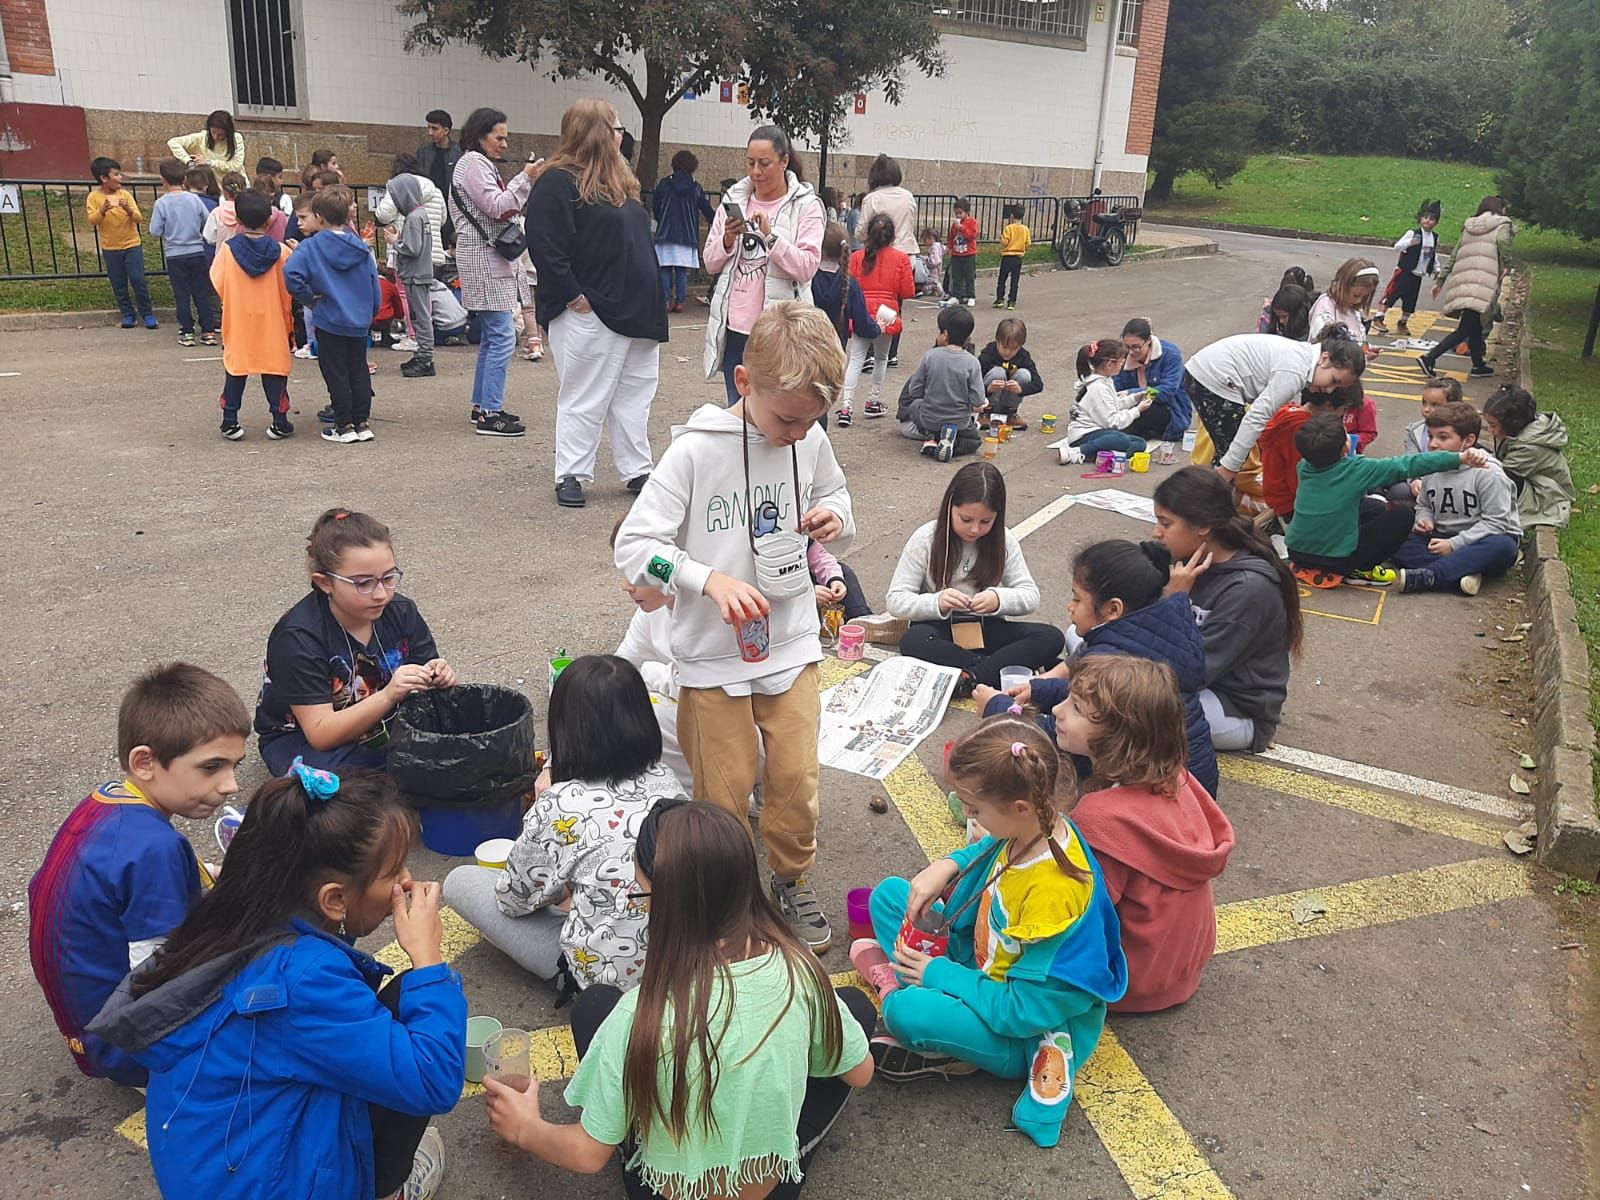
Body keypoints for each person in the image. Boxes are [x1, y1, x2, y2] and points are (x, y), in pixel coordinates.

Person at [88, 767, 464, 1200]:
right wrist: (428, 957)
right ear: (334, 899)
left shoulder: (236, 916)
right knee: (416, 1006)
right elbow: (434, 1080)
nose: (406, 882)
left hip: (211, 1168)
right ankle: (388, 1191)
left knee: (390, 1017)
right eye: (394, 870)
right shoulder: (304, 978)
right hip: (272, 1186)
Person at [483, 800, 875, 1198]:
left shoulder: (640, 1015)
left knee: (594, 1005)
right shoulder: (799, 969)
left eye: (643, 897)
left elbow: (588, 1154)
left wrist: (526, 1129)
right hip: (768, 1185)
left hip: (660, 1189)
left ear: (669, 906)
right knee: (855, 1009)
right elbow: (860, 1073)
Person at [614, 302, 854, 952]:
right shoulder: (694, 452)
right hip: (715, 660)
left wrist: (833, 516)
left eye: (812, 420)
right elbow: (636, 546)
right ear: (744, 384)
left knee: (797, 782)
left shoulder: (809, 437)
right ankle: (730, 895)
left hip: (792, 643)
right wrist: (703, 579)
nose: (799, 434)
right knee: (721, 797)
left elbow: (837, 495)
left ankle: (789, 877)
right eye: (788, 419)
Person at [850, 719, 1125, 1148]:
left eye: (975, 810)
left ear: (1018, 807)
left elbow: (1022, 1013)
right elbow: (989, 847)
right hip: (984, 966)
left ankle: (923, 1013)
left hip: (1020, 1029)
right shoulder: (1037, 824)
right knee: (890, 896)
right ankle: (921, 990)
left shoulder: (1052, 896)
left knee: (905, 1013)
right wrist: (949, 864)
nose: (969, 818)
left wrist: (940, 975)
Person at [28, 664, 248, 1087]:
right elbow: (158, 975)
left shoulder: (105, 803)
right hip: (124, 1049)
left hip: (84, 1025)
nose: (231, 785)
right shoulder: (156, 848)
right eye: (211, 768)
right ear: (145, 762)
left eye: (235, 766)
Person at [443, 655, 686, 994]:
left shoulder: (561, 802)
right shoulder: (668, 782)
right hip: (683, 972)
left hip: (606, 986)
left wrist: (562, 892)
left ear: (565, 728)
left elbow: (514, 901)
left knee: (460, 881)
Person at [1057, 655, 1234, 1012]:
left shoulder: (1101, 817)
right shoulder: (1179, 781)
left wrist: (1008, 849)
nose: (1058, 711)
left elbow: (1075, 912)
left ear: (1119, 735)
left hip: (1126, 983)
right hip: (1179, 971)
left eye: (1076, 708)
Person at [981, 539, 1220, 799]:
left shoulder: (1112, 660)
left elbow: (1063, 735)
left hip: (1157, 804)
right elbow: (1089, 698)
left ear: (1113, 609)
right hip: (1193, 788)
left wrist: (998, 710)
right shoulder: (1168, 624)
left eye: (1077, 598)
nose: (1069, 606)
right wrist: (1038, 689)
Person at [525, 99, 668, 508]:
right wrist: (573, 294)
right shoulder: (557, 182)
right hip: (593, 308)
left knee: (636, 394)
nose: (622, 135)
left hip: (636, 309)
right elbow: (546, 246)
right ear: (597, 132)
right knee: (585, 394)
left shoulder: (619, 180)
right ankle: (571, 472)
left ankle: (637, 467)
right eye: (616, 127)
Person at [255, 508, 458, 776]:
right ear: (325, 582)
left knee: (452, 748)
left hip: (385, 722)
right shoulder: (298, 637)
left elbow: (428, 675)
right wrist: (389, 695)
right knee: (348, 785)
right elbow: (320, 733)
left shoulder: (400, 610)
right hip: (303, 739)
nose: (380, 594)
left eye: (389, 578)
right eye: (363, 583)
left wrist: (439, 676)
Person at [1151, 467, 1304, 751]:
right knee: (1082, 634)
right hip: (1192, 684)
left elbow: (1189, 673)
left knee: (1127, 705)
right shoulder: (1187, 560)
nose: (1156, 532)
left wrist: (1175, 603)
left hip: (1233, 708)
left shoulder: (1247, 589)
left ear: (1203, 527)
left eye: (1166, 523)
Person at [888, 460, 1064, 697]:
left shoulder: (1004, 540)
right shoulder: (926, 538)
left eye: (986, 522)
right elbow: (896, 599)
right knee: (913, 640)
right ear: (950, 507)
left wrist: (998, 599)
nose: (974, 530)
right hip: (942, 629)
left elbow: (1030, 595)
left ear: (997, 517)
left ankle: (970, 678)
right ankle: (992, 669)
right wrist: (937, 602)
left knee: (1050, 637)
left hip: (987, 626)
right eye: (966, 519)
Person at [1285, 412, 1489, 587]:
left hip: (1296, 551)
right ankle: (1360, 570)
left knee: (1375, 507)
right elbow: (1408, 464)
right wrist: (1459, 458)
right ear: (1346, 448)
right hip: (1335, 560)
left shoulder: (1304, 465)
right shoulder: (1357, 469)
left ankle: (1327, 555)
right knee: (1402, 515)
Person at [703, 126, 825, 406]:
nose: (756, 171)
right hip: (735, 329)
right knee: (741, 412)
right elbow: (710, 262)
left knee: (777, 414)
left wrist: (771, 238)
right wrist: (728, 238)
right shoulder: (734, 200)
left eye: (764, 163)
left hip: (780, 332)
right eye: (750, 162)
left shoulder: (806, 206)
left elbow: (807, 267)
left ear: (784, 161)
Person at [450, 106, 543, 437]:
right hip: (485, 260)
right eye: (499, 137)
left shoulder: (472, 163)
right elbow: (499, 206)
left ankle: (483, 406)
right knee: (503, 335)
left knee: (494, 335)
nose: (504, 144)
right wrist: (526, 178)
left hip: (485, 259)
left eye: (506, 137)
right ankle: (490, 412)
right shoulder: (474, 164)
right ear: (480, 137)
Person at [1184, 333, 1368, 479]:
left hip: (1207, 373)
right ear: (1325, 359)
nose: (1329, 391)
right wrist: (1229, 468)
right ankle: (1205, 508)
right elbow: (1257, 416)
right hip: (1211, 378)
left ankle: (1209, 502)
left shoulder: (1303, 356)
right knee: (1230, 459)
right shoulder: (1295, 372)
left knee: (1233, 455)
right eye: (1334, 381)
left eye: (1337, 387)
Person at [284, 186, 382, 445]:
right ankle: (362, 421)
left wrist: (309, 298)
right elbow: (374, 283)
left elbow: (291, 275)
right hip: (359, 318)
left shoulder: (310, 247)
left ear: (320, 217)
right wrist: (371, 311)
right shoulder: (361, 248)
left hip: (329, 317)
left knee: (336, 372)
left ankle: (343, 424)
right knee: (358, 369)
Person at [1394, 402, 1522, 595]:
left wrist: (1455, 545)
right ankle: (1463, 573)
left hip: (1483, 538)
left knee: (1504, 548)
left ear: (1469, 440)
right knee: (1396, 538)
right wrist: (1424, 519)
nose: (1433, 444)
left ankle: (1431, 576)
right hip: (1443, 536)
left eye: (1443, 437)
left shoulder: (1488, 473)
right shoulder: (1432, 466)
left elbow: (1497, 523)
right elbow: (1423, 504)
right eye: (1430, 436)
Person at [210, 189, 296, 441]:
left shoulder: (227, 251)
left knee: (236, 369)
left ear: (238, 220)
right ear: (270, 220)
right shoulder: (281, 252)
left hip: (239, 321)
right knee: (275, 369)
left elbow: (217, 281)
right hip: (273, 321)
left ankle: (230, 421)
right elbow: (292, 283)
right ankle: (280, 421)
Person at [1420, 196, 1515, 380]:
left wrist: (1441, 281)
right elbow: (1503, 243)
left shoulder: (1470, 226)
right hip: (1483, 282)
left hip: (1464, 281)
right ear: (1500, 208)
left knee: (1473, 326)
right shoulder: (1503, 225)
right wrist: (1506, 264)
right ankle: (1430, 357)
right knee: (1465, 329)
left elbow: (1455, 254)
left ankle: (1478, 365)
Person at [840, 212, 915, 424]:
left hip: (862, 312)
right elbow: (908, 291)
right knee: (881, 358)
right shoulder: (901, 258)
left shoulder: (856, 258)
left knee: (855, 359)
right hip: (887, 312)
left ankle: (846, 406)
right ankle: (873, 399)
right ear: (892, 235)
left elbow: (849, 286)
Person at [1257, 383, 1365, 521]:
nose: (1343, 415)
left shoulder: (1291, 412)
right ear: (1328, 405)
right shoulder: (1303, 431)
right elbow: (1300, 479)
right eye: (1344, 409)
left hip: (1284, 496)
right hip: (1293, 503)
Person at [895, 305, 987, 459]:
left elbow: (914, 389)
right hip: (959, 421)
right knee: (974, 440)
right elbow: (978, 399)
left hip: (930, 418)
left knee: (915, 406)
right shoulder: (972, 363)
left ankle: (932, 438)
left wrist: (925, 397)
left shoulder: (931, 356)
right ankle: (952, 442)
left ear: (944, 334)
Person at [857, 154, 920, 365]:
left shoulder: (872, 198)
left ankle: (869, 352)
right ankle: (891, 352)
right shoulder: (908, 197)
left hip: (877, 257)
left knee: (868, 301)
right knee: (895, 305)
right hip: (904, 255)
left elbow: (861, 231)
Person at [1483, 384, 1574, 532]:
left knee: (1489, 475)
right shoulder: (1521, 431)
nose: (1489, 430)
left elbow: (1500, 476)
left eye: (1493, 425)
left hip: (1547, 496)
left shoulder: (1528, 446)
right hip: (1532, 481)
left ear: (1511, 424)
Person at [149, 157, 217, 347]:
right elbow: (207, 220)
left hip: (175, 253)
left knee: (182, 294)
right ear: (184, 179)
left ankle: (187, 331)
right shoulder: (194, 199)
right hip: (196, 250)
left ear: (163, 180)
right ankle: (208, 331)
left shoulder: (161, 203)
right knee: (201, 293)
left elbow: (154, 231)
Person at [1067, 337, 1169, 459]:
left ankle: (1104, 456)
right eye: (1121, 361)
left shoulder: (1105, 380)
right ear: (1110, 364)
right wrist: (1137, 410)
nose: (1123, 365)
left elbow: (1114, 405)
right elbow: (1113, 422)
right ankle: (1079, 452)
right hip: (1083, 435)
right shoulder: (1097, 387)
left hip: (1100, 431)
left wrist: (1134, 399)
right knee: (1121, 440)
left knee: (1140, 443)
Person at [87, 157, 156, 330]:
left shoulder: (125, 195)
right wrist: (102, 210)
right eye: (116, 175)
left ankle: (147, 313)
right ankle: (127, 314)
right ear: (104, 178)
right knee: (118, 283)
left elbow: (139, 218)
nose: (120, 178)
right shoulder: (94, 197)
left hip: (132, 245)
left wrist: (127, 209)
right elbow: (92, 220)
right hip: (110, 248)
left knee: (138, 279)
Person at [382, 174, 438, 379]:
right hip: (419, 273)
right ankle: (422, 354)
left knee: (420, 318)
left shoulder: (414, 218)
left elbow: (412, 249)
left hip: (416, 274)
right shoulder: (420, 214)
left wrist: (395, 242)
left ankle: (425, 358)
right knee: (420, 316)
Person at [652, 149, 716, 313]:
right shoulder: (696, 187)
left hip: (666, 233)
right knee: (682, 271)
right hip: (687, 235)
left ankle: (666, 301)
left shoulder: (665, 184)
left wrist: (661, 220)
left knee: (665, 269)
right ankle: (680, 302)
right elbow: (706, 209)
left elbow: (655, 204)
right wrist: (718, 222)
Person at [809, 220, 880, 357]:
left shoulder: (806, 279)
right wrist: (877, 328)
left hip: (807, 350)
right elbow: (862, 323)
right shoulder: (849, 283)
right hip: (836, 352)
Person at [1113, 317, 1188, 443]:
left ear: (1148, 340)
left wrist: (1132, 393)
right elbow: (1116, 385)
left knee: (1142, 412)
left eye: (1136, 347)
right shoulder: (1124, 354)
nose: (1130, 352)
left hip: (1167, 412)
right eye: (1127, 347)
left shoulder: (1170, 355)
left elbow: (1167, 391)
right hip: (1133, 407)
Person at [1375, 199, 1441, 336]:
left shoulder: (1434, 237)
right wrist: (1410, 243)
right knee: (1392, 294)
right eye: (1425, 217)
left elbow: (1433, 255)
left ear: (1436, 222)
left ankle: (1403, 323)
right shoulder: (1413, 233)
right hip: (1405, 271)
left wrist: (1436, 269)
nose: (1428, 221)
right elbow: (1397, 246)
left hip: (1418, 274)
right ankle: (1379, 317)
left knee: (1411, 300)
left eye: (1432, 219)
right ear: (1420, 219)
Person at [977, 317, 1044, 431]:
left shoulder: (1023, 356)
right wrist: (988, 388)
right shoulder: (987, 355)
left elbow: (1038, 384)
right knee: (997, 372)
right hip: (987, 401)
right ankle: (985, 414)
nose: (1008, 352)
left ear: (1021, 345)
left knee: (1024, 374)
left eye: (1014, 348)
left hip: (1009, 401)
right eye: (1004, 347)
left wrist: (1020, 389)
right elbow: (972, 384)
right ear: (997, 341)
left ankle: (1010, 414)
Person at [1308, 258, 1382, 356]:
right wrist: (1359, 349)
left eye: (1364, 297)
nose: (1359, 300)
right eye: (1356, 295)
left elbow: (1356, 339)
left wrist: (1365, 352)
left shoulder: (1352, 309)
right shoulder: (1325, 306)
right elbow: (1326, 341)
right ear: (1342, 285)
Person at [417, 109, 463, 235]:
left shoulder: (458, 153)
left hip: (451, 207)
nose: (430, 133)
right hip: (429, 205)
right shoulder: (424, 151)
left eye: (435, 128)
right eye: (428, 128)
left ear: (446, 130)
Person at [166, 110, 245, 176]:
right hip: (213, 188)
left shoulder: (236, 138)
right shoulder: (202, 137)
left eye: (220, 134)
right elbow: (173, 142)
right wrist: (188, 161)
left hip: (235, 186)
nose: (216, 137)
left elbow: (236, 166)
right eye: (213, 132)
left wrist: (209, 162)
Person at [994, 203, 1031, 309]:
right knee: (1015, 281)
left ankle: (1000, 299)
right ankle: (1012, 301)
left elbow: (1005, 242)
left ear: (1012, 215)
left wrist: (1001, 238)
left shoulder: (1008, 228)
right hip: (1018, 257)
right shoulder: (1025, 229)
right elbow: (1028, 243)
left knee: (1002, 279)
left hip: (1007, 256)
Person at [946, 197, 980, 307]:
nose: (958, 216)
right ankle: (956, 295)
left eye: (960, 213)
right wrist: (950, 247)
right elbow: (951, 236)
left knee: (969, 276)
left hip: (968, 253)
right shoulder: (954, 225)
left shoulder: (972, 222)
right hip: (957, 253)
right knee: (956, 275)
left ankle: (971, 296)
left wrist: (961, 228)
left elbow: (972, 236)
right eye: (956, 213)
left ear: (966, 212)